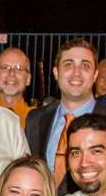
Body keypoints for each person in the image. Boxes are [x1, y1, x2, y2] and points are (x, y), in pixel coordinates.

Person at [25, 38, 100, 179]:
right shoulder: (35, 119)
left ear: (95, 75)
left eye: (85, 66)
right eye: (68, 65)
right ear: (56, 73)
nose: (76, 72)